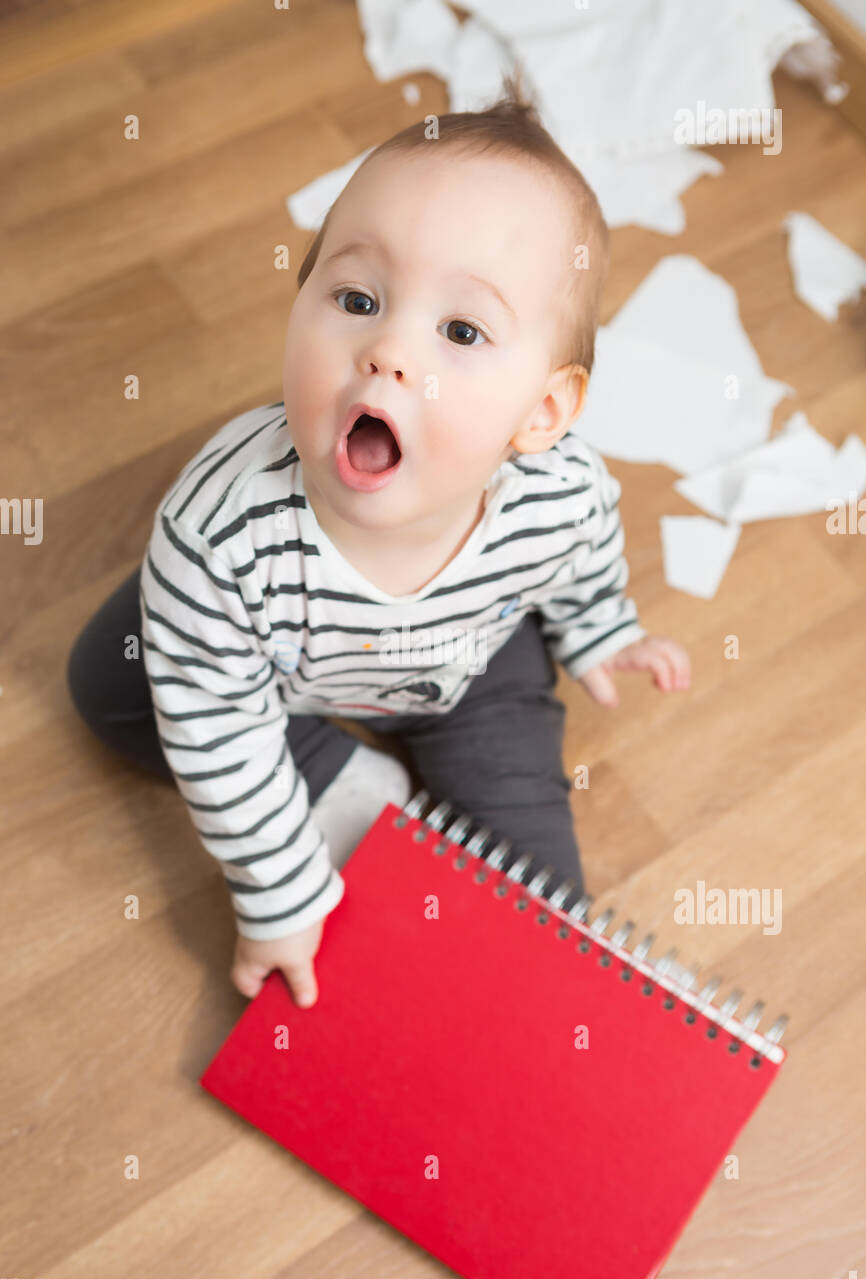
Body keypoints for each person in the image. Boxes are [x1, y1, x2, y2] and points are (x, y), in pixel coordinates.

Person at [67, 75, 689, 1011]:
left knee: (538, 909)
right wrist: (277, 895)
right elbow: (214, 717)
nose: (389, 350)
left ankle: (421, 809)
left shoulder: (557, 495)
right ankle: (339, 778)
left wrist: (600, 628)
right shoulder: (220, 535)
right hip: (275, 670)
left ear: (543, 412)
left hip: (472, 666)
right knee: (111, 686)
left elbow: (587, 548)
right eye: (357, 299)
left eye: (462, 329)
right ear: (302, 297)